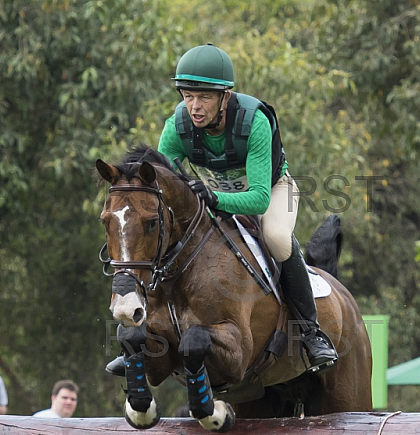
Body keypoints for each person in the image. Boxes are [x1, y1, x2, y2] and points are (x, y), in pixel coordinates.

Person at [105, 43, 337, 377]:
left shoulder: (254, 122)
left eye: (204, 98)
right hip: (212, 196)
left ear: (225, 97)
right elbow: (158, 187)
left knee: (276, 238)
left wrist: (213, 198)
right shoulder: (177, 126)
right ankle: (140, 340)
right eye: (187, 96)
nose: (194, 107)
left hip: (272, 191)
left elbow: (257, 198)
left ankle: (311, 332)